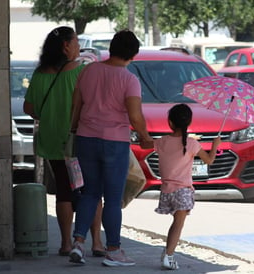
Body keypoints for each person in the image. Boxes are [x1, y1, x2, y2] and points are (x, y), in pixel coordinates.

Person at [69, 29, 153, 266]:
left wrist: (73, 129)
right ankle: (113, 249)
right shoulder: (129, 80)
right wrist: (145, 137)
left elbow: (76, 105)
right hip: (115, 142)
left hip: (86, 138)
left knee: (90, 193)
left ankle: (78, 243)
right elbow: (135, 116)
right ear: (132, 55)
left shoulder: (88, 70)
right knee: (113, 199)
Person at [23, 26, 105, 257]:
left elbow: (29, 108)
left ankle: (66, 243)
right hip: (80, 138)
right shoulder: (81, 72)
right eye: (76, 42)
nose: (79, 46)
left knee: (63, 190)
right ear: (66, 46)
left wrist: (49, 114)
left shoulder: (39, 75)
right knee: (91, 189)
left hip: (52, 141)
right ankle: (96, 242)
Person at [140, 103, 221, 270]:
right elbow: (209, 160)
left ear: (170, 122)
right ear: (189, 123)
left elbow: (144, 144)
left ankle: (167, 254)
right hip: (183, 191)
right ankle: (168, 255)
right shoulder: (192, 144)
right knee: (178, 224)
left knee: (174, 223)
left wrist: (142, 131)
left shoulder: (162, 141)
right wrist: (215, 145)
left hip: (166, 191)